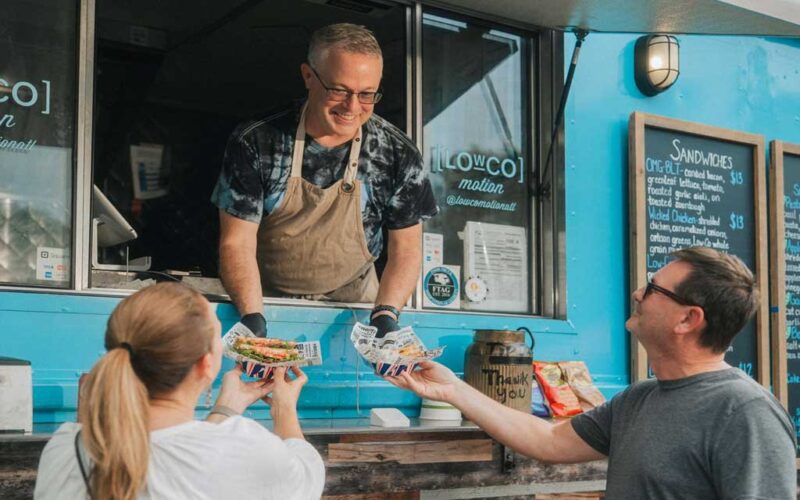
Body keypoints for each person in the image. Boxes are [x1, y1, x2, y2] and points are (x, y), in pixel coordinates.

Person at [387, 247, 797, 499]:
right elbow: (548, 439)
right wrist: (453, 389)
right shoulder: (639, 398)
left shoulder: (745, 413)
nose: (638, 293)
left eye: (654, 289)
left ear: (688, 319)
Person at [211, 23, 437, 339]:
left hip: (354, 305)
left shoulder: (398, 153)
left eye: (366, 94)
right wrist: (252, 317)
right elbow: (237, 242)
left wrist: (386, 315)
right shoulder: (257, 141)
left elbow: (407, 250)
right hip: (264, 297)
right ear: (308, 76)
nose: (352, 107)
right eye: (339, 90)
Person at [34, 282, 324, 500]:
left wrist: (226, 409)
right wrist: (284, 409)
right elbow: (307, 474)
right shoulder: (247, 448)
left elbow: (174, 450)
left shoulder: (65, 448)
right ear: (206, 365)